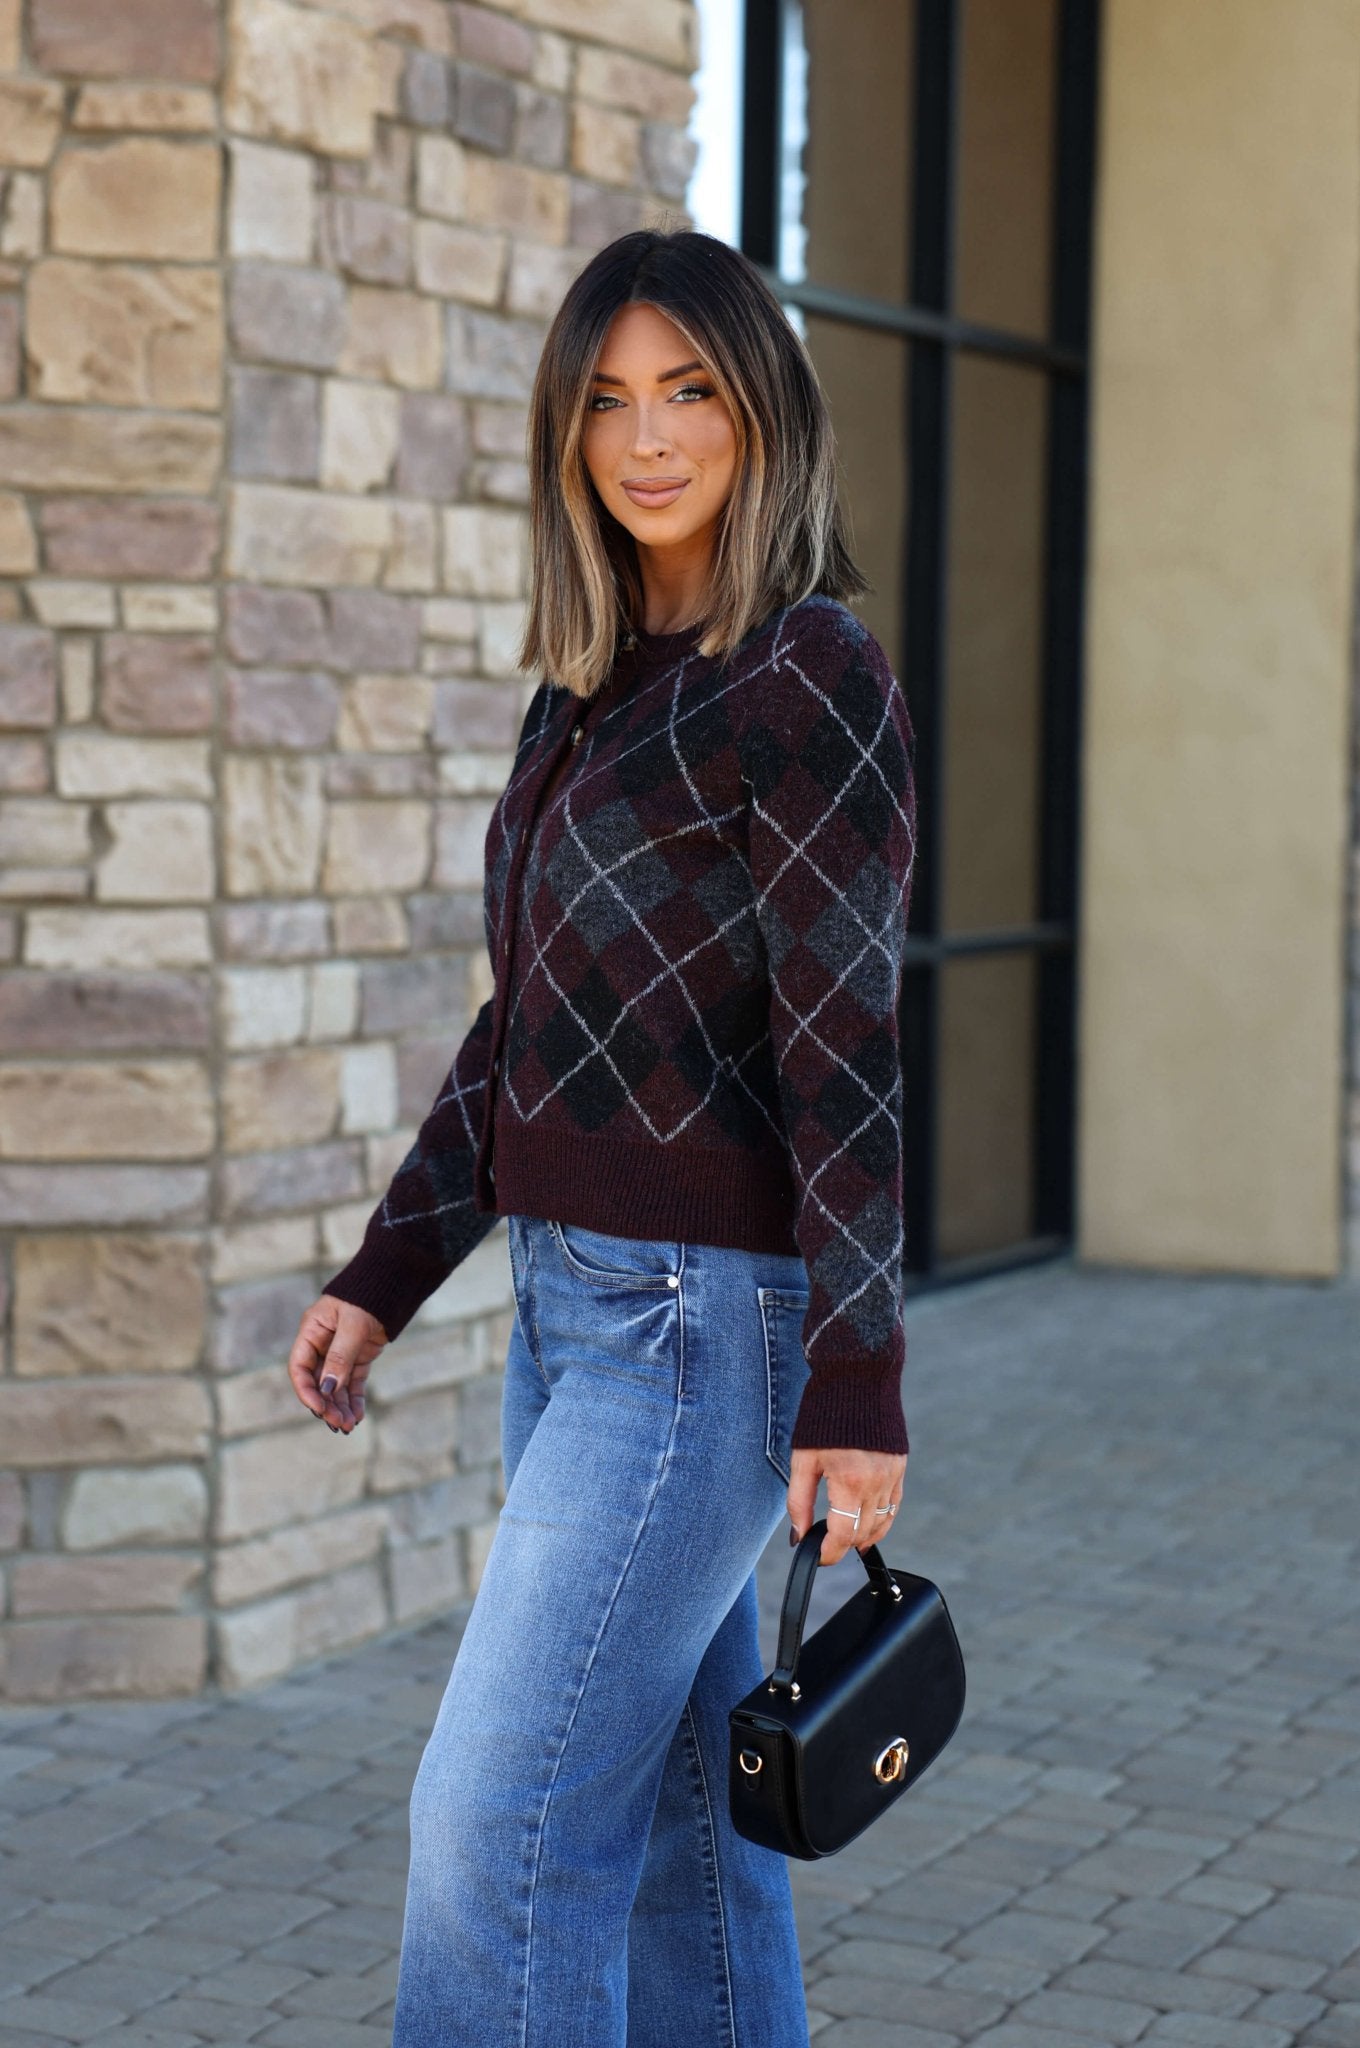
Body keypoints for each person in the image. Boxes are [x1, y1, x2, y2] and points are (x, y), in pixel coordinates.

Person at [284, 228, 917, 2048]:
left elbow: (846, 1048)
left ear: (759, 410)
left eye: (688, 391)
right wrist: (388, 1271)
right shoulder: (595, 683)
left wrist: (857, 1379)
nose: (646, 439)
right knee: (663, 1832)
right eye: (608, 401)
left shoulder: (805, 676)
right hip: (578, 1320)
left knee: (495, 1830)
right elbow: (527, 1025)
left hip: (696, 1337)